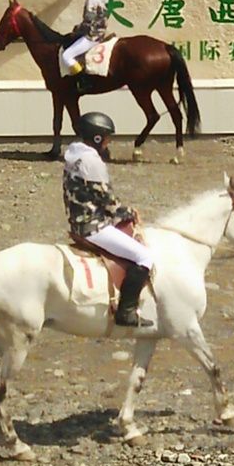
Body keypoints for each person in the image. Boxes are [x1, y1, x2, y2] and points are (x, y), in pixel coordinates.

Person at [62, 112, 154, 326]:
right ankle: (127, 312)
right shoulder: (92, 162)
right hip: (94, 226)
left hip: (77, 220)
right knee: (144, 257)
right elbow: (110, 203)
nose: (108, 141)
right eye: (106, 137)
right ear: (97, 138)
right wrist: (130, 212)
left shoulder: (73, 154)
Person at [59, 0, 111, 76]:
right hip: (102, 29)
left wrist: (77, 31)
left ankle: (82, 79)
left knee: (66, 56)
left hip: (92, 35)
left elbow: (89, 20)